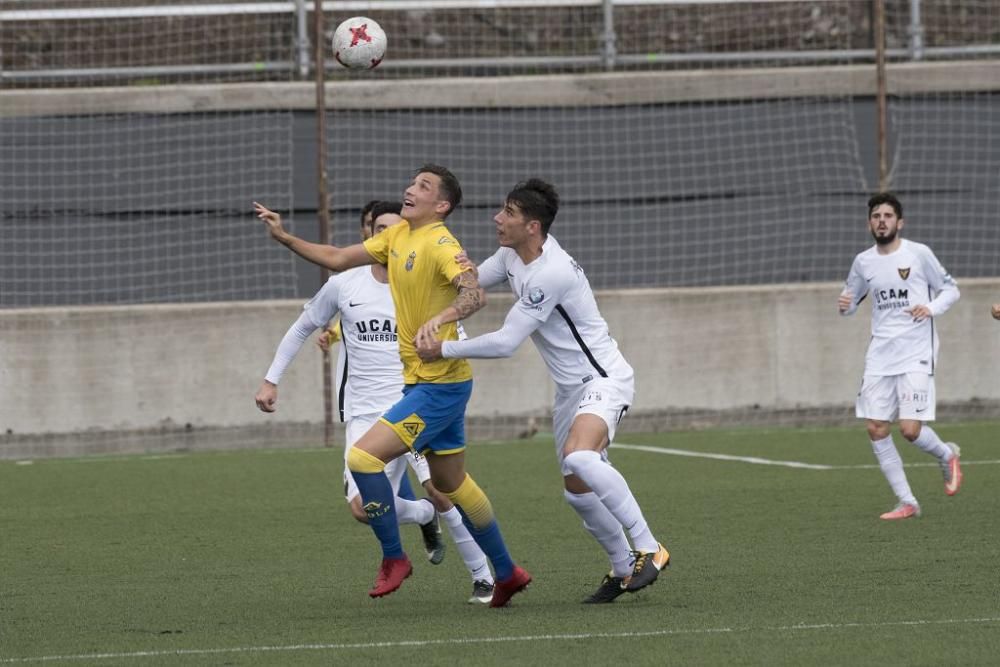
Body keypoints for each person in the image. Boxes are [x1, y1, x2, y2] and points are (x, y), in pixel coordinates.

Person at [254, 164, 531, 607]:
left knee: (364, 457)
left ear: (441, 205)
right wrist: (285, 237)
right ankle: (506, 572)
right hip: (425, 384)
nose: (410, 188)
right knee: (452, 482)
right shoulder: (397, 238)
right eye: (412, 182)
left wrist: (441, 319)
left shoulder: (442, 243)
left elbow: (474, 293)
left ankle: (395, 559)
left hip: (438, 386)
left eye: (423, 186)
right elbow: (337, 257)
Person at [415, 179, 670, 603]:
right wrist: (444, 289)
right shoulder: (511, 255)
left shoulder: (549, 273)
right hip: (570, 390)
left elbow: (506, 342)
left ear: (532, 226)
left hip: (603, 379)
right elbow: (473, 285)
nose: (497, 218)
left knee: (580, 456)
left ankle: (649, 548)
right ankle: (623, 568)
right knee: (577, 491)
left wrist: (443, 349)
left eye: (508, 213)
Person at [838, 192, 963, 520]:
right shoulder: (863, 262)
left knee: (909, 429)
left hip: (916, 350)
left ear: (899, 222)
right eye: (876, 216)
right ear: (869, 223)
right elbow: (850, 303)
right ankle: (907, 501)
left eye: (888, 216)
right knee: (876, 427)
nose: (882, 221)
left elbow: (951, 289)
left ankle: (946, 455)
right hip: (880, 354)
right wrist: (845, 305)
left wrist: (931, 307)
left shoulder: (919, 254)